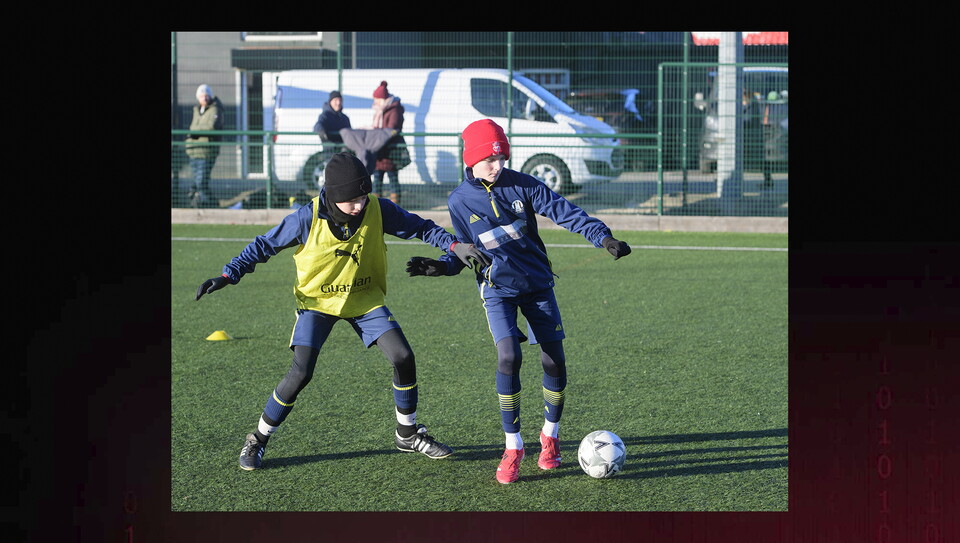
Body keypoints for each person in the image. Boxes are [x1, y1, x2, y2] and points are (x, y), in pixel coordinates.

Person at [195, 152, 490, 471]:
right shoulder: (306, 217)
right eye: (353, 200)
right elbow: (263, 246)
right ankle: (257, 439)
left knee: (403, 357)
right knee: (301, 372)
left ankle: (406, 434)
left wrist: (453, 246)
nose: (360, 205)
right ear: (334, 196)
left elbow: (421, 227)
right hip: (317, 303)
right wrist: (228, 274)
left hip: (363, 299)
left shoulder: (377, 208)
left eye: (364, 196)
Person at [405, 119, 632, 484]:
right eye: (490, 159)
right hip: (497, 289)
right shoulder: (459, 200)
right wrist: (442, 267)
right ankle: (513, 446)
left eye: (502, 158)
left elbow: (564, 211)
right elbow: (465, 250)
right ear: (472, 160)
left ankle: (550, 437)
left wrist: (602, 238)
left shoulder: (522, 184)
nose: (498, 165)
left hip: (538, 285)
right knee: (509, 355)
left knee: (553, 359)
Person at [185, 84, 224, 208]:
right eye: (202, 96)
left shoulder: (215, 109)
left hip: (206, 151)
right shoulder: (197, 110)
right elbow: (192, 127)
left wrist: (195, 131)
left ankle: (207, 204)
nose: (205, 98)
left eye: (207, 95)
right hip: (194, 150)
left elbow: (211, 127)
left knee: (201, 181)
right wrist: (194, 131)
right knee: (197, 182)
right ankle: (205, 203)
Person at [370, 80, 405, 205]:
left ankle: (395, 206)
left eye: (376, 99)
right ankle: (375, 205)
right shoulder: (381, 110)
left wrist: (377, 135)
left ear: (382, 99)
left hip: (390, 150)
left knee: (392, 178)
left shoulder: (394, 109)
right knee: (377, 178)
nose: (375, 102)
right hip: (379, 149)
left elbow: (392, 128)